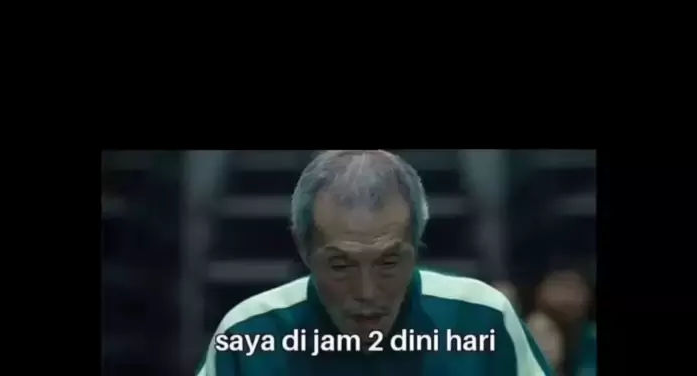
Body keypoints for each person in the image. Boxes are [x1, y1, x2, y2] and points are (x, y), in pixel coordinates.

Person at [196, 150, 553, 375]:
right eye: (341, 266)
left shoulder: (483, 317)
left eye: (388, 263)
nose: (367, 292)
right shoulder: (248, 333)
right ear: (303, 251)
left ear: (417, 244)